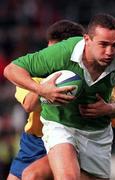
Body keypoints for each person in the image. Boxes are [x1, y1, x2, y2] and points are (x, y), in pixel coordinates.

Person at [4, 13, 115, 180]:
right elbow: (28, 104)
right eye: (49, 51)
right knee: (34, 176)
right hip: (40, 139)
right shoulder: (39, 75)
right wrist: (43, 90)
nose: (110, 51)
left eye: (114, 45)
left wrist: (109, 108)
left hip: (93, 135)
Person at [7, 19, 85, 180]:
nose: (51, 55)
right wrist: (43, 87)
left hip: (70, 140)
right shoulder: (30, 74)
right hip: (34, 142)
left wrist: (113, 107)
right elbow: (29, 105)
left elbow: (113, 107)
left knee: (32, 177)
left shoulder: (87, 75)